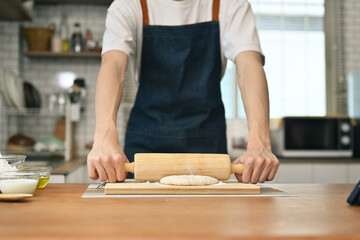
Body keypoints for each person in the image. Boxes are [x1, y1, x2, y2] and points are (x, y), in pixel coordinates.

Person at [87, 0, 279, 184]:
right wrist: (104, 136)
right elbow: (113, 64)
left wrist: (260, 142)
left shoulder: (231, 5)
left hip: (207, 145)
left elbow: (249, 66)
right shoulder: (129, 5)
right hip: (145, 144)